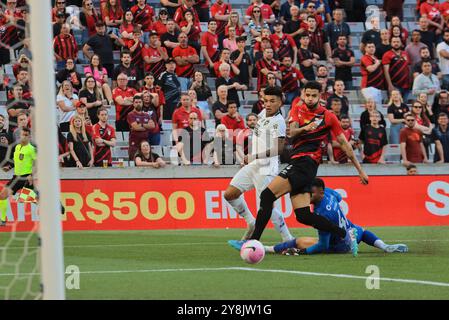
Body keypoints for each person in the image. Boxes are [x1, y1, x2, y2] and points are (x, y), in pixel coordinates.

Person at [232, 81, 368, 249]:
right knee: (303, 215)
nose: (310, 99)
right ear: (303, 94)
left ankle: (252, 243)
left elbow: (345, 144)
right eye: (307, 95)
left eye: (314, 96)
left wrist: (360, 171)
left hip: (307, 163)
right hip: (298, 162)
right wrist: (307, 127)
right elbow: (292, 132)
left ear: (320, 96)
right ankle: (345, 233)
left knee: (267, 196)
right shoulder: (297, 107)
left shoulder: (328, 117)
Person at [264, 179, 408, 256]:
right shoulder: (329, 193)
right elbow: (339, 198)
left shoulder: (321, 214)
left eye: (311, 193)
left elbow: (323, 246)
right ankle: (384, 246)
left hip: (339, 246)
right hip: (353, 233)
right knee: (362, 231)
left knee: (299, 241)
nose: (308, 195)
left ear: (320, 192)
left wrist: (301, 252)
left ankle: (268, 249)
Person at [224, 86, 294, 242]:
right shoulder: (262, 114)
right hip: (253, 165)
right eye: (266, 101)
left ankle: (287, 238)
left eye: (272, 101)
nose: (268, 104)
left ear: (281, 102)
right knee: (229, 194)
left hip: (266, 168)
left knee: (267, 205)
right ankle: (251, 222)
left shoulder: (278, 122)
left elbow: (278, 149)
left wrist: (254, 155)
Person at [0, 128, 36, 226]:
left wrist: (31, 175)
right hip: (16, 178)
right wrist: (9, 166)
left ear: (29, 136)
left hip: (26, 179)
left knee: (34, 200)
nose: (22, 137)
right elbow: (17, 160)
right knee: (2, 196)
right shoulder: (17, 147)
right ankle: (2, 220)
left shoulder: (31, 149)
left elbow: (37, 163)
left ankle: (55, 205)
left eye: (25, 135)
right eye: (21, 135)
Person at [383, 36, 412, 101]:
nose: (396, 43)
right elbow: (386, 71)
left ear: (401, 43)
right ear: (391, 43)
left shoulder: (405, 53)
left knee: (405, 105)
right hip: (395, 85)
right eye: (394, 42)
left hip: (407, 85)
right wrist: (390, 85)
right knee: (395, 105)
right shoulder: (387, 54)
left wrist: (410, 82)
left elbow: (409, 68)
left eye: (398, 42)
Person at [127, 95, 154, 160]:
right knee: (134, 161)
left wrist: (141, 124)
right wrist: (147, 126)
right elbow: (136, 127)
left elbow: (152, 126)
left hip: (145, 142)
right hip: (135, 143)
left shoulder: (146, 115)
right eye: (136, 102)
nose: (138, 104)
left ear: (142, 103)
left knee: (146, 161)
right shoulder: (131, 114)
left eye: (140, 102)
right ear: (133, 104)